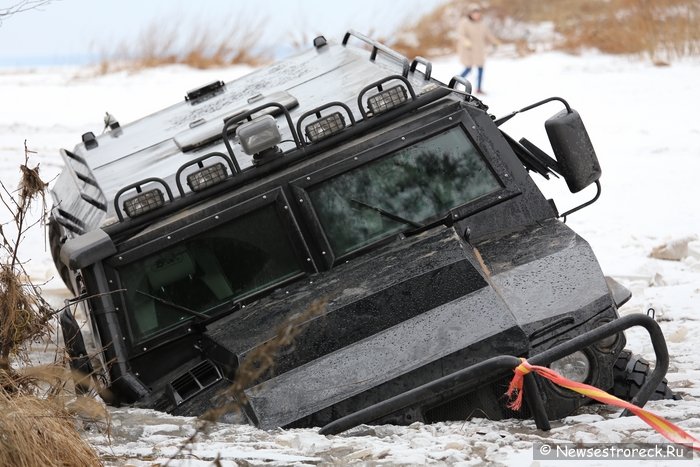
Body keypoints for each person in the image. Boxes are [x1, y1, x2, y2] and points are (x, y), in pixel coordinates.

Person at [456, 3, 499, 94]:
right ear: (470, 14)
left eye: (477, 13)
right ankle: (455, 83)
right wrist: (466, 41)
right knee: (468, 68)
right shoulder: (464, 22)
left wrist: (495, 42)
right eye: (474, 13)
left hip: (479, 50)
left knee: (480, 68)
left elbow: (488, 34)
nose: (476, 15)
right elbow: (461, 35)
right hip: (468, 50)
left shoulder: (482, 23)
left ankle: (479, 89)